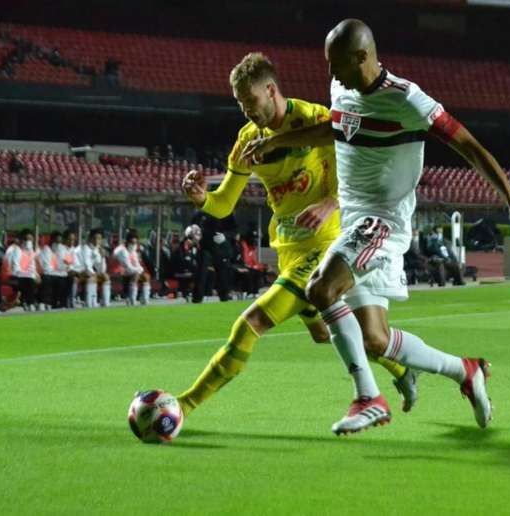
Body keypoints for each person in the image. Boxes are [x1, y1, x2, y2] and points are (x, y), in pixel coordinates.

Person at [243, 19, 510, 434]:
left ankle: (369, 397)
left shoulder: (407, 100)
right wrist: (278, 142)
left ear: (363, 57)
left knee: (320, 290)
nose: (330, 75)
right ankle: (466, 371)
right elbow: (336, 126)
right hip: (353, 219)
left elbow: (469, 145)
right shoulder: (342, 88)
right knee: (374, 340)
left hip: (382, 221)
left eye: (337, 64)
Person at [176, 52, 415, 420]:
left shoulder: (315, 120)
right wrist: (203, 199)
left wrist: (331, 203)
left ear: (271, 90)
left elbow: (363, 166)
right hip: (290, 249)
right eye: (239, 103)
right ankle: (402, 369)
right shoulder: (246, 141)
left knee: (249, 325)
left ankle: (181, 406)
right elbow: (224, 205)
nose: (246, 110)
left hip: (325, 247)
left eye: (250, 101)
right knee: (326, 334)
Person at [113, 231, 151, 305]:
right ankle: (131, 299)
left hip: (129, 272)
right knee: (136, 275)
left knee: (146, 276)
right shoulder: (122, 251)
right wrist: (139, 270)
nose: (134, 245)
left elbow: (137, 265)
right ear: (127, 242)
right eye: (132, 242)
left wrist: (141, 270)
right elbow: (128, 268)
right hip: (119, 272)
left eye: (135, 243)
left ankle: (144, 299)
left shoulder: (133, 252)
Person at [8, 229, 39, 311]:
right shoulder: (17, 250)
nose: (28, 242)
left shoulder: (32, 252)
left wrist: (36, 275)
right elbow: (15, 267)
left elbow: (32, 267)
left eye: (30, 239)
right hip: (16, 275)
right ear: (22, 240)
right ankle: (28, 302)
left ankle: (31, 302)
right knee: (29, 280)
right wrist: (29, 274)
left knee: (33, 279)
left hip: (28, 276)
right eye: (26, 239)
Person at [80, 228, 110, 307]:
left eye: (99, 239)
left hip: (90, 273)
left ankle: (105, 303)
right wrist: (95, 274)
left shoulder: (97, 249)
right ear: (90, 238)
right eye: (95, 238)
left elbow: (101, 270)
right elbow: (86, 266)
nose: (97, 241)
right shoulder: (85, 248)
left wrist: (103, 257)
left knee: (105, 276)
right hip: (79, 272)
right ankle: (89, 303)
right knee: (91, 276)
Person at [37, 231, 67, 309]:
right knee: (48, 278)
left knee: (64, 279)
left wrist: (61, 268)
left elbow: (64, 264)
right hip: (48, 274)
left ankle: (61, 303)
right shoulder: (46, 250)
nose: (58, 244)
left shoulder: (63, 249)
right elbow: (46, 267)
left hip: (59, 273)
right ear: (52, 240)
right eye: (56, 241)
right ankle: (44, 302)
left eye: (60, 242)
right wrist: (58, 269)